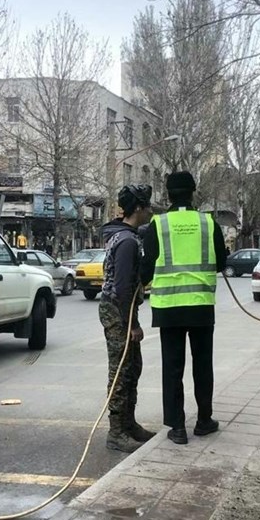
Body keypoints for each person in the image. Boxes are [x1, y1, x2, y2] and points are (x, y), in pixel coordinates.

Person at [141, 171, 227, 445]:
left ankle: (177, 427)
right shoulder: (208, 223)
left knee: (172, 367)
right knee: (203, 365)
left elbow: (147, 266)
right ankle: (204, 420)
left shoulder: (158, 224)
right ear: (193, 192)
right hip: (201, 306)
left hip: (168, 308)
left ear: (168, 194)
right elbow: (222, 262)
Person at [99, 185, 155, 453]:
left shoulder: (125, 236)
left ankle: (128, 424)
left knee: (133, 367)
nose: (150, 212)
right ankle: (116, 432)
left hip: (120, 309)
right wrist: (132, 324)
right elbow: (121, 287)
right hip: (118, 311)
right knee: (121, 371)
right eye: (148, 207)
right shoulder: (127, 241)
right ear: (139, 209)